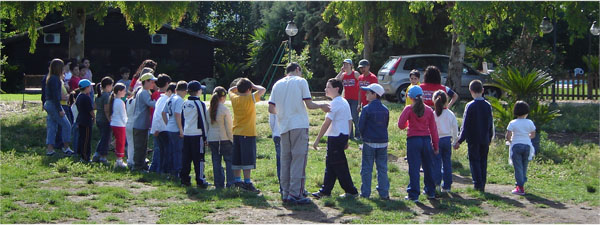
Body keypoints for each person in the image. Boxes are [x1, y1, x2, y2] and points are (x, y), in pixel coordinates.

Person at [269, 63, 330, 204]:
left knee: (285, 160)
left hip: (283, 126)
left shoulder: (277, 84)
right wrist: (322, 105)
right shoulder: (301, 81)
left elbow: (271, 108)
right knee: (298, 160)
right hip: (299, 125)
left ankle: (285, 192)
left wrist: (284, 112)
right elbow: (309, 104)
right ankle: (296, 193)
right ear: (297, 70)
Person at [312, 78, 359, 199]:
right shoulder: (344, 101)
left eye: (328, 87)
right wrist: (347, 137)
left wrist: (317, 139)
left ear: (336, 89)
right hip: (341, 136)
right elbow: (350, 121)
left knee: (339, 165)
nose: (325, 89)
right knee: (331, 164)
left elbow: (327, 122)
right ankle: (325, 191)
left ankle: (351, 191)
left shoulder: (335, 103)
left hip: (336, 137)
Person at [398, 86, 439, 202]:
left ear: (410, 97)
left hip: (413, 140)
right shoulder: (429, 110)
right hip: (426, 140)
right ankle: (430, 191)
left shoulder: (409, 109)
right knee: (428, 167)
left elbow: (401, 125)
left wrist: (407, 124)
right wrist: (435, 146)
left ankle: (414, 194)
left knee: (414, 168)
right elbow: (433, 130)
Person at [454, 80, 494, 192]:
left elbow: (465, 125)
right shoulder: (488, 106)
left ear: (470, 91)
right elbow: (490, 123)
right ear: (483, 90)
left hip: (473, 139)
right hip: (484, 138)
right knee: (483, 161)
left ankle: (477, 183)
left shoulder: (470, 106)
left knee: (474, 161)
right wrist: (490, 137)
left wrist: (460, 140)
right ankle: (483, 182)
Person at [229, 78, 266, 193]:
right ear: (249, 89)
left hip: (235, 132)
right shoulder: (251, 98)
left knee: (237, 158)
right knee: (247, 159)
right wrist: (254, 85)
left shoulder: (234, 98)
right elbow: (263, 89)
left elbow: (230, 89)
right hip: (248, 133)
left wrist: (240, 87)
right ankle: (247, 182)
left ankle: (237, 181)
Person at [357, 83, 390, 200]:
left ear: (374, 94)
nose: (365, 94)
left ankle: (365, 193)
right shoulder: (385, 110)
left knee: (366, 168)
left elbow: (361, 126)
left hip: (369, 141)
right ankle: (384, 192)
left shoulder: (366, 109)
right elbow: (385, 125)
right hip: (383, 141)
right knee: (382, 168)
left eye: (368, 92)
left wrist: (363, 137)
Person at [180, 81, 211, 188]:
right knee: (199, 158)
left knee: (186, 157)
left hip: (186, 133)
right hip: (197, 134)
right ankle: (200, 179)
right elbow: (202, 120)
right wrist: (205, 136)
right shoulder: (199, 103)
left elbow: (182, 119)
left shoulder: (184, 103)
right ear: (198, 91)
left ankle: (184, 179)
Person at [506, 101, 536, 195]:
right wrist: (526, 137)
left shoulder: (513, 123)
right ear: (526, 112)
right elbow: (533, 134)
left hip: (516, 145)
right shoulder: (529, 122)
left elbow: (508, 135)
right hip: (527, 145)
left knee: (518, 167)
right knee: (524, 166)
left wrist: (510, 141)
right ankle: (522, 182)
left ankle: (520, 186)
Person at [44, 58, 73, 156]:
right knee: (67, 125)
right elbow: (56, 97)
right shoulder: (55, 79)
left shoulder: (50, 77)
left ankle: (50, 149)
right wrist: (60, 109)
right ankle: (66, 147)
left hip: (49, 104)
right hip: (54, 105)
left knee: (52, 127)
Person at [431, 90, 459, 193]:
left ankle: (436, 184)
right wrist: (455, 140)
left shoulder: (433, 114)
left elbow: (430, 128)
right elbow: (455, 127)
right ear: (446, 101)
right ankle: (447, 186)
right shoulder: (450, 114)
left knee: (436, 163)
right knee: (447, 163)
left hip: (436, 140)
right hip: (447, 139)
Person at [208, 86, 234, 189]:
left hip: (212, 138)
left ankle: (218, 183)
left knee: (216, 161)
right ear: (223, 97)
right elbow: (229, 127)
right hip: (224, 139)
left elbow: (207, 125)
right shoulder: (224, 109)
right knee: (229, 161)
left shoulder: (208, 109)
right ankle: (231, 183)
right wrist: (232, 139)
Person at [131, 73, 157, 172]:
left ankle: (141, 164)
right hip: (140, 124)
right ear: (145, 82)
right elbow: (150, 103)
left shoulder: (143, 91)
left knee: (143, 146)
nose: (153, 83)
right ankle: (137, 166)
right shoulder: (144, 92)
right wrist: (160, 102)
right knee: (140, 147)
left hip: (142, 123)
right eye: (151, 81)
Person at [162, 81, 187, 177]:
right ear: (185, 91)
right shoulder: (180, 100)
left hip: (169, 128)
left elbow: (163, 113)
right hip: (176, 129)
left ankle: (169, 170)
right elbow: (178, 115)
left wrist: (168, 124)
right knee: (178, 151)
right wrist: (181, 129)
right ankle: (177, 171)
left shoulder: (170, 98)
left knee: (171, 150)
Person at [148, 74, 172, 173]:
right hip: (160, 126)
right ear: (167, 84)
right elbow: (160, 114)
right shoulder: (164, 97)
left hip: (156, 124)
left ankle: (155, 168)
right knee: (160, 150)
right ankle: (157, 168)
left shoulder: (155, 95)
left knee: (157, 148)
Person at [335, 59, 361, 140]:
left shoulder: (355, 73)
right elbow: (335, 81)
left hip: (355, 99)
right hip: (346, 99)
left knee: (355, 116)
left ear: (351, 65)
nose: (345, 66)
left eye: (347, 64)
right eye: (344, 64)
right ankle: (350, 135)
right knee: (348, 117)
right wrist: (340, 71)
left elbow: (361, 82)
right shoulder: (343, 75)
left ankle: (359, 134)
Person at [92, 76, 114, 163]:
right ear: (108, 86)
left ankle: (97, 154)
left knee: (103, 138)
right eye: (112, 85)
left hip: (98, 119)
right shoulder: (106, 96)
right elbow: (106, 110)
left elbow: (95, 106)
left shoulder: (98, 95)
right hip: (105, 120)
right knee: (106, 139)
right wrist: (110, 120)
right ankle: (103, 157)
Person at [108, 83, 128, 168]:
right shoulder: (120, 102)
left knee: (118, 141)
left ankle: (119, 159)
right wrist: (127, 123)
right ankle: (119, 160)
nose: (125, 92)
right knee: (121, 142)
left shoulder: (115, 100)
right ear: (119, 91)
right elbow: (123, 115)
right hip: (119, 124)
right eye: (124, 91)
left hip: (115, 123)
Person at [76, 79, 95, 162]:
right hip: (86, 121)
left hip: (80, 119)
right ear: (86, 87)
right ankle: (85, 156)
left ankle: (81, 154)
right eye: (89, 86)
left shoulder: (79, 96)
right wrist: (94, 117)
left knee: (82, 138)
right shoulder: (86, 98)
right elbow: (90, 110)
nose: (90, 88)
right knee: (86, 140)